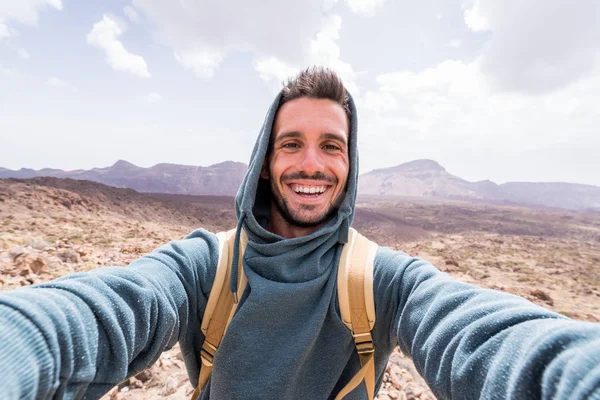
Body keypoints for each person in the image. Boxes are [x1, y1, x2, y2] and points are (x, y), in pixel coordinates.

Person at [0, 67, 599, 400]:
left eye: (331, 147)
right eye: (292, 144)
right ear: (265, 160)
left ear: (349, 165)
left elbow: (482, 337)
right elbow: (100, 313)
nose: (311, 164)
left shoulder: (380, 280)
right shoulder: (206, 266)